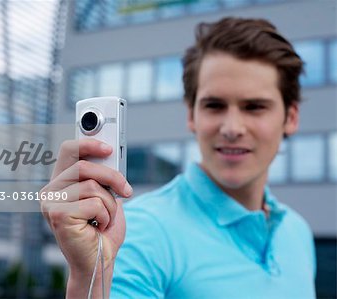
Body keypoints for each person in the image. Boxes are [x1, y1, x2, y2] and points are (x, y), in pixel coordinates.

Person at [41, 17, 316, 298]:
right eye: (214, 105)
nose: (232, 128)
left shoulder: (297, 232)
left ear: (291, 117)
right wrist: (91, 278)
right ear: (191, 115)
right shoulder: (135, 232)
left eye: (254, 107)